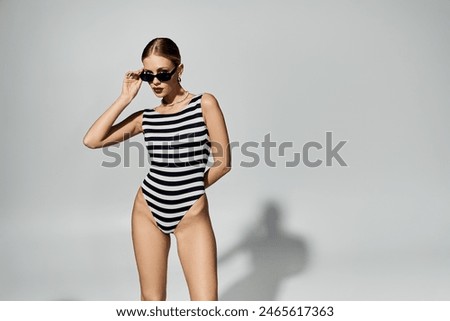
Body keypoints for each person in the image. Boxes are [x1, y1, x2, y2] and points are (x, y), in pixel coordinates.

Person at [83, 37, 231, 301]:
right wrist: (125, 98)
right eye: (148, 75)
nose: (155, 82)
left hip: (190, 212)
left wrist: (188, 187)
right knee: (151, 302)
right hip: (148, 208)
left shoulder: (204, 104)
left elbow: (223, 164)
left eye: (163, 74)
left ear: (180, 70)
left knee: (206, 305)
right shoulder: (146, 118)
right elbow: (92, 140)